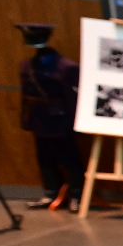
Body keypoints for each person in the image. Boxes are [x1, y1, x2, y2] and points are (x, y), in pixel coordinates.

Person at [16, 24, 83, 211]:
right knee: (44, 157)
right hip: (38, 118)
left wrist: (77, 124)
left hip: (60, 119)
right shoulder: (26, 65)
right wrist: (25, 119)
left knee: (69, 157)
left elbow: (74, 98)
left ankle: (77, 195)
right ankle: (50, 193)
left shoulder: (67, 67)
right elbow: (25, 97)